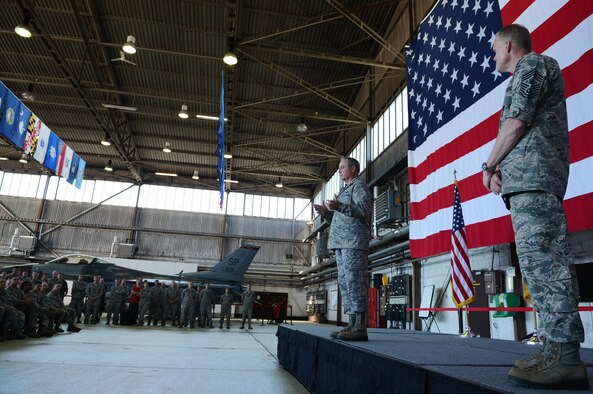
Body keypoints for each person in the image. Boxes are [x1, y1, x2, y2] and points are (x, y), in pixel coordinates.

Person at [483, 24, 588, 390]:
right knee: (538, 268)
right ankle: (554, 349)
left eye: (495, 49)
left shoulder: (532, 66)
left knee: (547, 264)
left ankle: (567, 358)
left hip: (535, 179)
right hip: (526, 182)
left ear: (508, 45)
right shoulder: (521, 75)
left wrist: (489, 165)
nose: (493, 55)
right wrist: (502, 170)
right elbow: (514, 127)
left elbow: (517, 123)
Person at [314, 157, 371, 341]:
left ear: (353, 169)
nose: (339, 171)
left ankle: (360, 326)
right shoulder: (344, 190)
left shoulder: (358, 187)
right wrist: (326, 214)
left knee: (354, 280)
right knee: (345, 282)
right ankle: (352, 323)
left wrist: (340, 206)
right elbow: (340, 220)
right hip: (341, 243)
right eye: (338, 168)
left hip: (353, 242)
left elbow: (363, 209)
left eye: (342, 167)